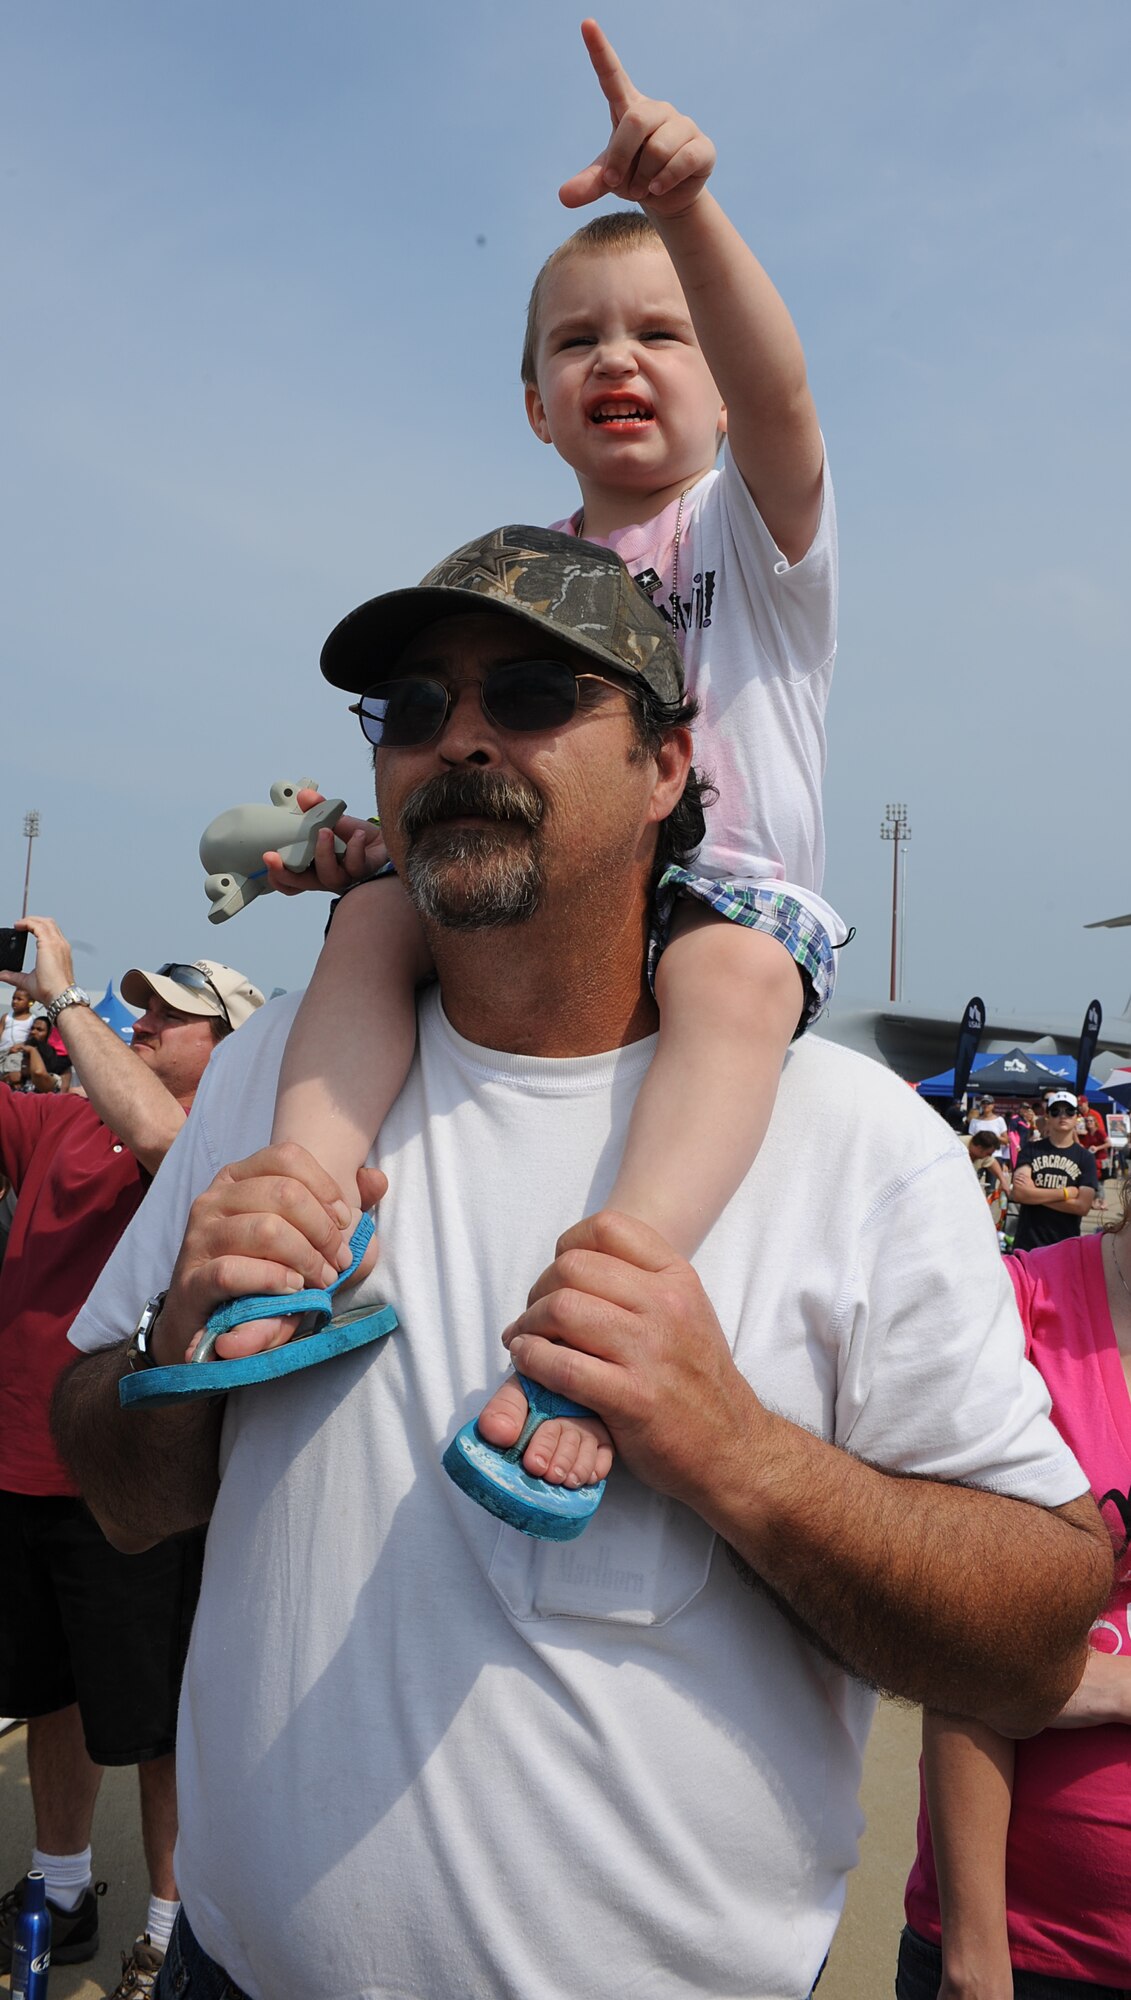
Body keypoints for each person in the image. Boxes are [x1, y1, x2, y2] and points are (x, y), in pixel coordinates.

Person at [53, 533, 1113, 2000]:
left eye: (535, 691)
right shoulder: (273, 1088)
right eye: (411, 707)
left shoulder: (848, 1142)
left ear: (669, 766)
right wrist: (178, 1342)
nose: (459, 736)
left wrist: (734, 1452)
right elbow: (113, 1486)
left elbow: (1035, 1619)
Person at [261, 17, 847, 1500]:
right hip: (561, 889)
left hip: (724, 892)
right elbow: (482, 769)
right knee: (375, 922)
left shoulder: (748, 537)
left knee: (724, 978)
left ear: (715, 384)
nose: (619, 360)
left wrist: (692, 210)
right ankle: (299, 1220)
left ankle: (603, 1305)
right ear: (534, 405)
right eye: (578, 341)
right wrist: (373, 847)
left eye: (663, 333)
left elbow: (783, 406)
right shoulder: (532, 576)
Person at [0, 917, 263, 1998]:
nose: (145, 1018)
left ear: (232, 1044)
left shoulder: (219, 1141)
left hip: (133, 1486)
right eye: (141, 1007)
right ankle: (60, 1888)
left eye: (175, 1013)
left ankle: (168, 1919)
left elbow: (161, 1135)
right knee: (45, 1692)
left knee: (156, 1720)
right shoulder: (60, 1121)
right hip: (17, 1470)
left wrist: (61, 1000)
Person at [898, 1204, 1131, 1998]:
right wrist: (974, 1960)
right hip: (1029, 1949)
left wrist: (1081, 1683)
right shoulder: (1018, 1307)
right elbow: (962, 1625)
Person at [1010, 1088, 1099, 1253]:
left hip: (1065, 1246)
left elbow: (1082, 1206)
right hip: (1027, 1245)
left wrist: (1034, 1194)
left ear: (1077, 1117)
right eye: (1056, 1111)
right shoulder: (1030, 1150)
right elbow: (1019, 1194)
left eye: (1069, 1111)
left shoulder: (1085, 1158)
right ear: (1048, 1117)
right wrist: (1065, 1193)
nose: (1063, 1116)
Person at [968, 1128, 1010, 1232]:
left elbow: (991, 1162)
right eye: (988, 1153)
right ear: (979, 1148)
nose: (989, 1156)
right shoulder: (958, 1146)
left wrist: (1003, 1180)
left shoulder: (980, 1152)